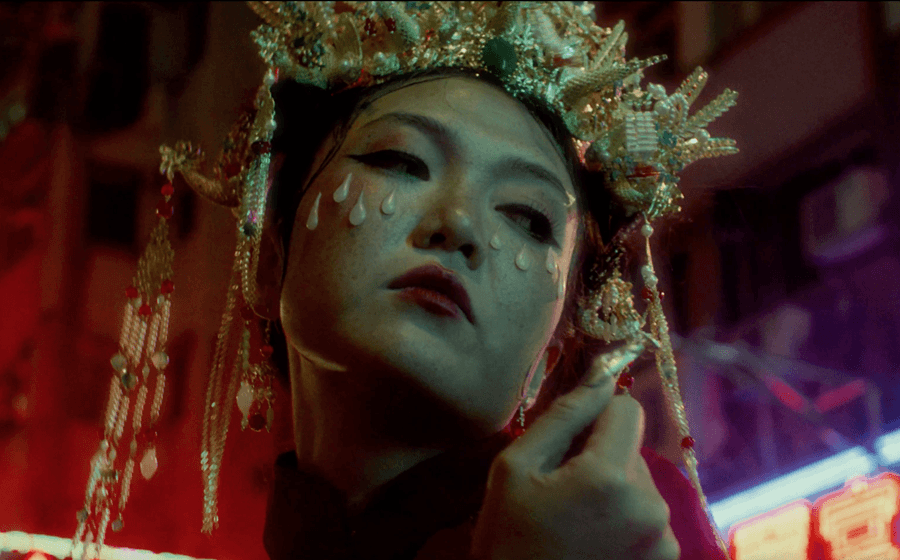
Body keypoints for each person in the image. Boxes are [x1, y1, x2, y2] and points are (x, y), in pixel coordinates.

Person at [73, 3, 738, 559]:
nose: (460, 225)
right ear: (271, 257)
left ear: (546, 360)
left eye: (527, 218)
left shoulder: (620, 518)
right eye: (401, 161)